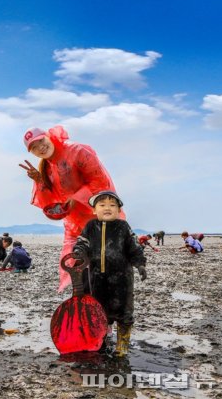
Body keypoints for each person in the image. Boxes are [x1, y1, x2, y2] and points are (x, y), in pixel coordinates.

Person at [19, 126, 123, 292]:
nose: (40, 147)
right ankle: (87, 308)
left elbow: (100, 181)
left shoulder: (76, 150)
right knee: (79, 268)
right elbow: (54, 198)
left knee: (103, 266)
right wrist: (40, 181)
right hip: (75, 224)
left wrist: (76, 199)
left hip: (98, 218)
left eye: (41, 141)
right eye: (34, 147)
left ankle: (106, 310)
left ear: (48, 136)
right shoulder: (46, 166)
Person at [72, 191, 147, 357]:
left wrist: (140, 264)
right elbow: (82, 244)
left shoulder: (123, 227)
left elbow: (134, 247)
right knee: (99, 311)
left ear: (119, 210)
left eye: (113, 205)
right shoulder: (91, 227)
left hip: (122, 280)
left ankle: (122, 345)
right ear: (94, 210)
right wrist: (78, 253)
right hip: (97, 278)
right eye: (102, 205)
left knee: (124, 311)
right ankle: (101, 342)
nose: (108, 208)